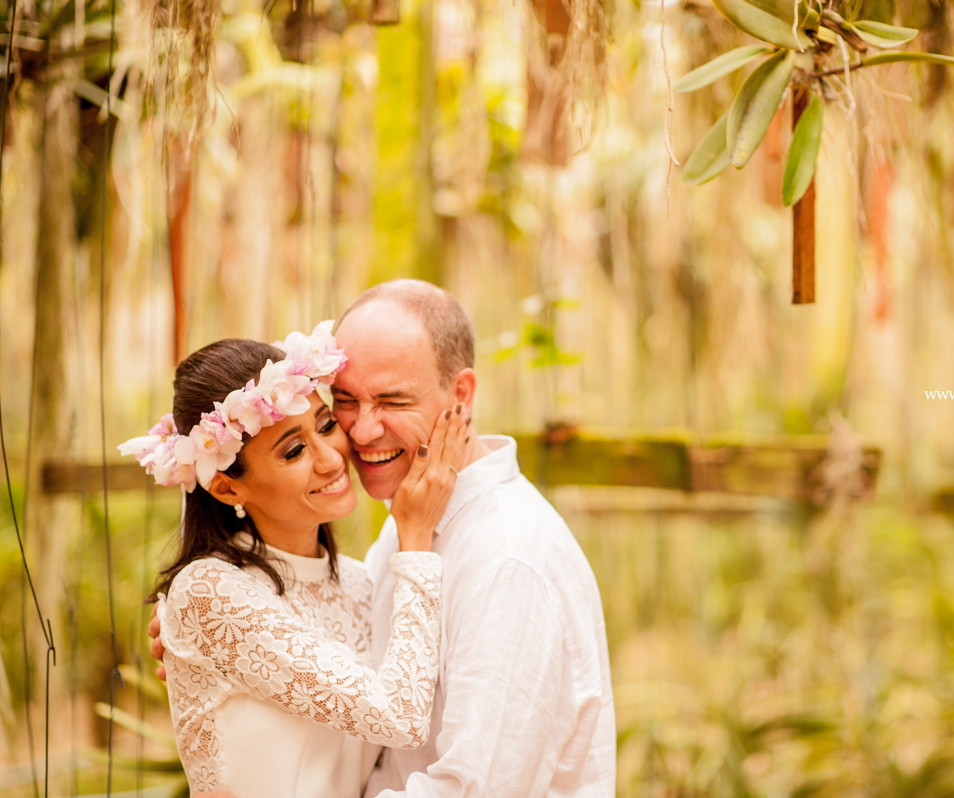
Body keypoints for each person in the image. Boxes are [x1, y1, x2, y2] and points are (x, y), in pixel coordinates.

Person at [150, 280, 617, 798]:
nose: (361, 432)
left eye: (392, 400)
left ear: (459, 396)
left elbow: (473, 789)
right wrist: (205, 634)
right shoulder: (401, 534)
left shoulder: (507, 556)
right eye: (345, 401)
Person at [125, 325, 470, 798]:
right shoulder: (209, 592)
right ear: (227, 487)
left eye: (326, 425)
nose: (331, 458)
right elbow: (400, 718)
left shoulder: (359, 582)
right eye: (294, 450)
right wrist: (415, 539)